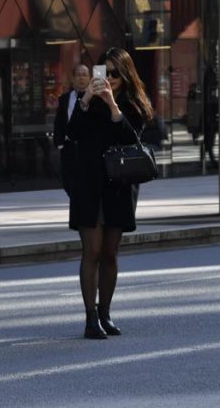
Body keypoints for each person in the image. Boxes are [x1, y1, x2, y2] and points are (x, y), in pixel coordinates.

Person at [65, 47, 154, 339]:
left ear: (126, 74)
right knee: (91, 250)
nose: (111, 78)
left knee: (110, 253)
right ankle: (91, 319)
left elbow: (131, 138)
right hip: (89, 184)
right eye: (106, 72)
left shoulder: (133, 104)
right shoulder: (86, 101)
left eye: (116, 73)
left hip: (118, 186)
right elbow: (73, 133)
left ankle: (105, 312)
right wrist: (88, 97)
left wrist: (113, 105)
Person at [53, 63, 91, 196]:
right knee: (69, 183)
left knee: (87, 184)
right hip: (69, 148)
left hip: (88, 148)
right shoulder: (65, 99)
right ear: (73, 78)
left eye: (84, 75)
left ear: (89, 78)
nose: (81, 78)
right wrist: (59, 143)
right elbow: (58, 122)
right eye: (78, 75)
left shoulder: (96, 98)